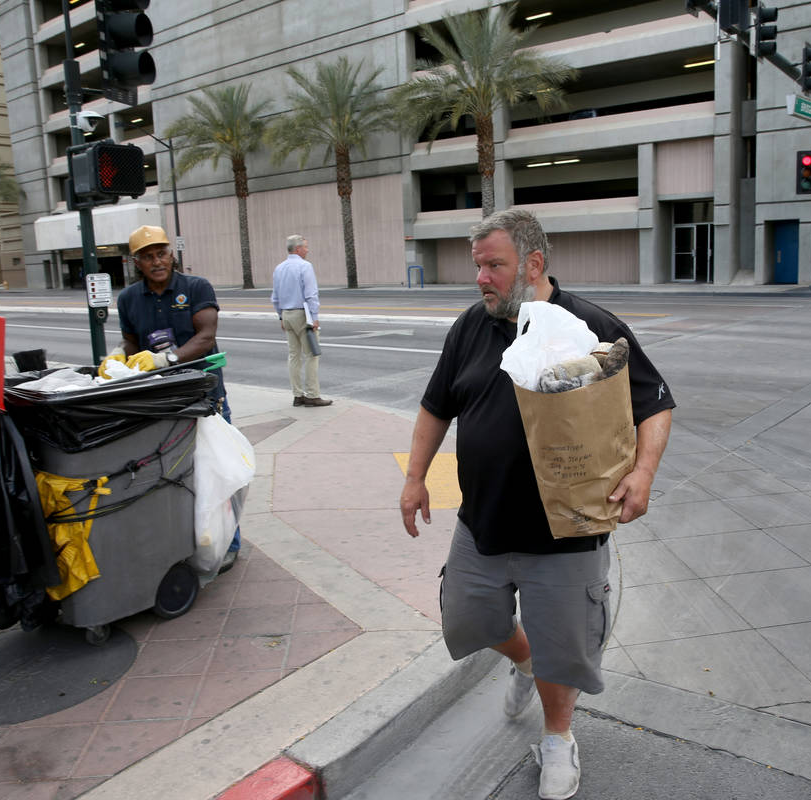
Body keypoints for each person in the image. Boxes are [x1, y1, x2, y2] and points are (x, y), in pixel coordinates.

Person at [399, 210, 674, 800]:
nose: (481, 278)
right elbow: (435, 406)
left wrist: (643, 473)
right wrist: (415, 476)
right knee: (469, 620)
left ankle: (558, 739)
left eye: (493, 265)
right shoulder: (470, 328)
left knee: (563, 645)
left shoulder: (591, 325)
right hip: (482, 524)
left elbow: (654, 403)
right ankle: (524, 661)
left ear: (533, 264)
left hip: (566, 533)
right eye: (478, 266)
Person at [103, 224, 240, 570]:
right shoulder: (129, 298)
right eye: (148, 257)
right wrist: (119, 353)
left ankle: (230, 544)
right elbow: (132, 340)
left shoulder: (196, 288)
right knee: (175, 476)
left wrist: (167, 358)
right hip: (163, 402)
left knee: (218, 474)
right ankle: (188, 542)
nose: (157, 261)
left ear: (171, 254)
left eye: (162, 253)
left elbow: (206, 337)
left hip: (205, 397)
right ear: (137, 262)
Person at [271, 234, 331, 407]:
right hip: (302, 314)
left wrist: (281, 316)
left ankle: (297, 395)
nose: (307, 249)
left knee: (293, 356)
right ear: (297, 249)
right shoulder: (305, 266)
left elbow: (275, 297)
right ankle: (312, 395)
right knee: (312, 354)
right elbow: (311, 294)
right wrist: (314, 317)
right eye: (305, 246)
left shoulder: (279, 268)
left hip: (287, 315)